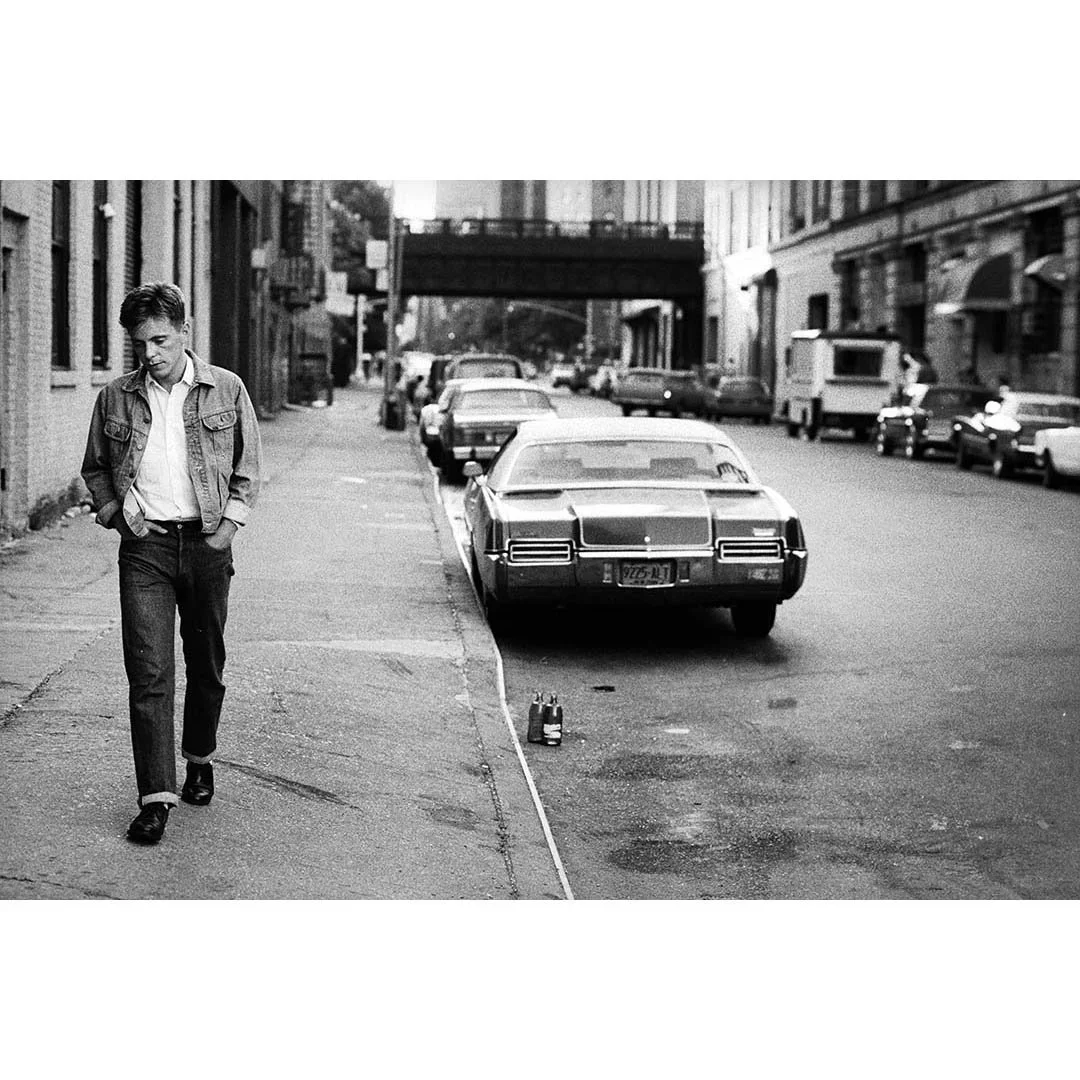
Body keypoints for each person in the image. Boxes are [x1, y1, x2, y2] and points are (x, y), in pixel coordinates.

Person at [81, 283, 262, 845]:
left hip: (207, 544)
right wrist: (119, 516)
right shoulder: (115, 397)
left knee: (205, 664)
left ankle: (199, 759)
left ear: (185, 331)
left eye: (160, 339)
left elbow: (247, 467)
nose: (150, 353)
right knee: (150, 672)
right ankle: (155, 798)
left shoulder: (226, 389)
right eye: (140, 344)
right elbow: (95, 469)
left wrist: (226, 530)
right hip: (146, 551)